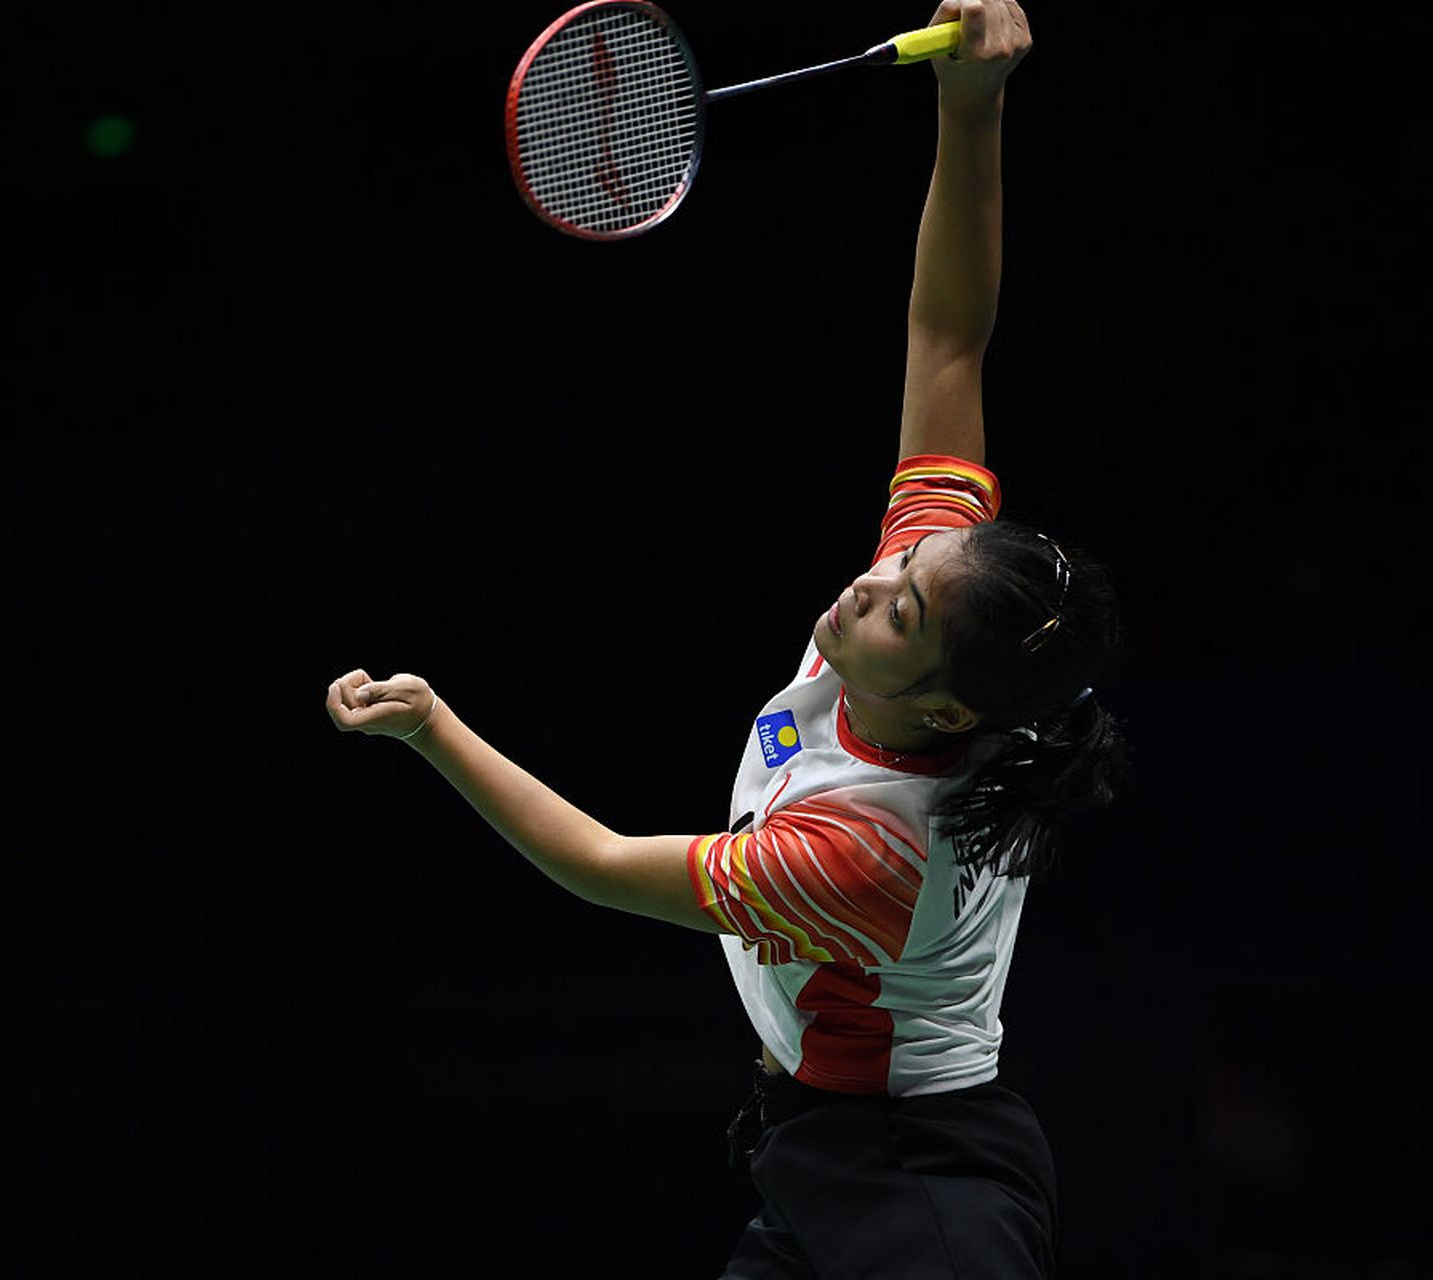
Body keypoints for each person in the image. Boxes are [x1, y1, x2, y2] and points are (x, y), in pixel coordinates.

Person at [326, 2, 1123, 1274]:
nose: (874, 585)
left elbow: (594, 861)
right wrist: (971, 112)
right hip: (819, 1146)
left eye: (903, 608)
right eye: (904, 563)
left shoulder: (866, 850)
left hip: (914, 1184)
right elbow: (948, 334)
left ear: (949, 709)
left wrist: (433, 725)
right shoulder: (935, 603)